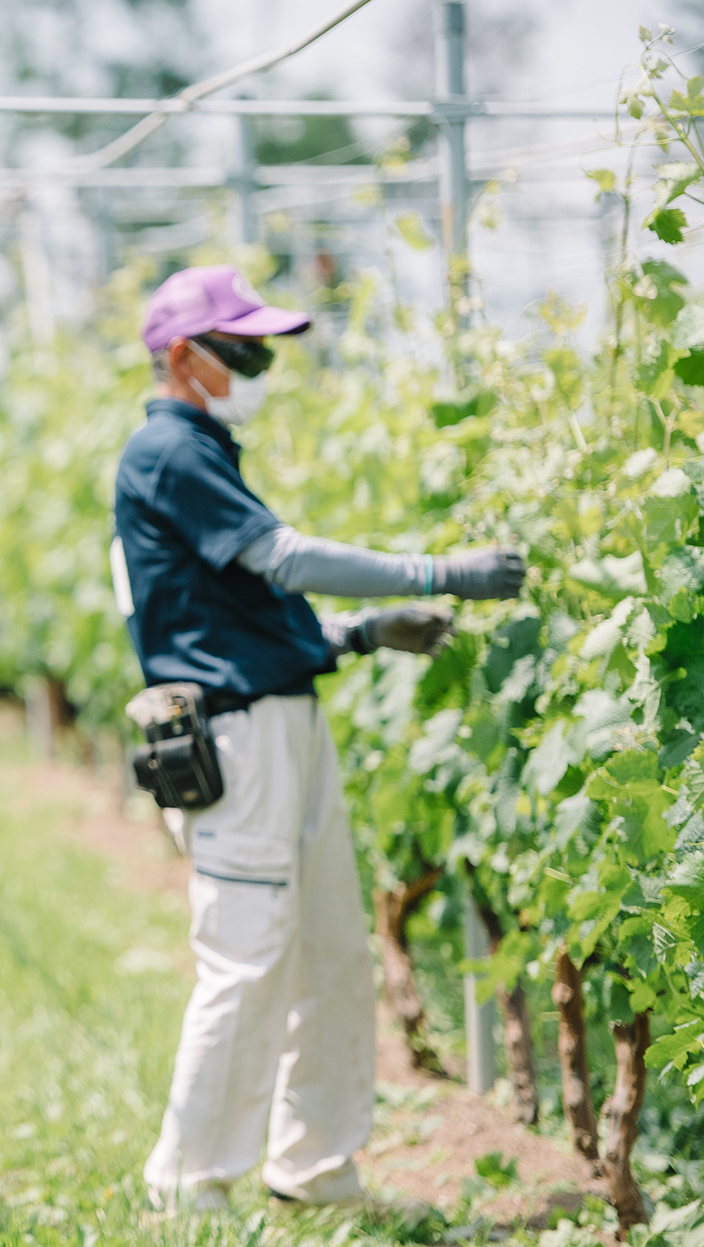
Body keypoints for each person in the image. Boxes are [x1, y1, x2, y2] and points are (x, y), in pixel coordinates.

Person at [112, 265, 527, 1212]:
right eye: (244, 349)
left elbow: (236, 615)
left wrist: (361, 633)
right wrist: (439, 571)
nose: (261, 365)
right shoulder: (166, 454)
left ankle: (315, 1168)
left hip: (282, 723)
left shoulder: (205, 453)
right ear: (184, 357)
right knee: (249, 956)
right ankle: (189, 1186)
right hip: (237, 741)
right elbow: (285, 560)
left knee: (333, 951)